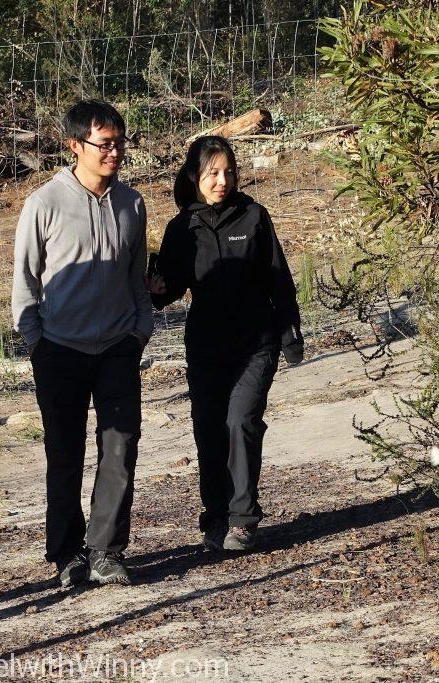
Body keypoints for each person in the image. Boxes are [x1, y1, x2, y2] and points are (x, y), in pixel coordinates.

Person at [12, 100, 152, 587]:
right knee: (65, 454)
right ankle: (67, 553)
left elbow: (138, 277)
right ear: (75, 146)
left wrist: (140, 330)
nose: (114, 152)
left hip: (118, 345)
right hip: (59, 351)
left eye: (119, 142)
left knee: (120, 447)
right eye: (103, 144)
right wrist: (37, 343)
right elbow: (25, 283)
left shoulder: (132, 204)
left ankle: (106, 549)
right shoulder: (43, 204)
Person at [147, 135, 303, 552]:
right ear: (194, 176)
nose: (222, 181)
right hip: (206, 346)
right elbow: (169, 289)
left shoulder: (254, 216)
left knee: (241, 421)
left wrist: (290, 333)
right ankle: (215, 517)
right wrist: (156, 288)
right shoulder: (182, 227)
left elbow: (278, 278)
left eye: (229, 172)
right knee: (209, 431)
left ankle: (243, 518)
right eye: (213, 173)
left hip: (256, 341)